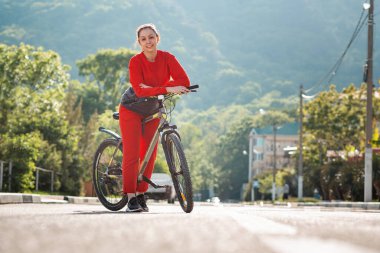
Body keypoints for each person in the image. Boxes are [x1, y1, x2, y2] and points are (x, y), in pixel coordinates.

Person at [119, 23, 190, 212]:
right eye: (143, 39)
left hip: (153, 109)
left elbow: (184, 81)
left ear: (158, 38)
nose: (148, 41)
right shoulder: (135, 61)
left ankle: (141, 194)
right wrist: (168, 88)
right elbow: (140, 90)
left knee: (149, 156)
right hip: (131, 108)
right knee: (132, 153)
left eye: (151, 37)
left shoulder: (168, 58)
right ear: (139, 43)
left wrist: (174, 88)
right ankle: (131, 197)